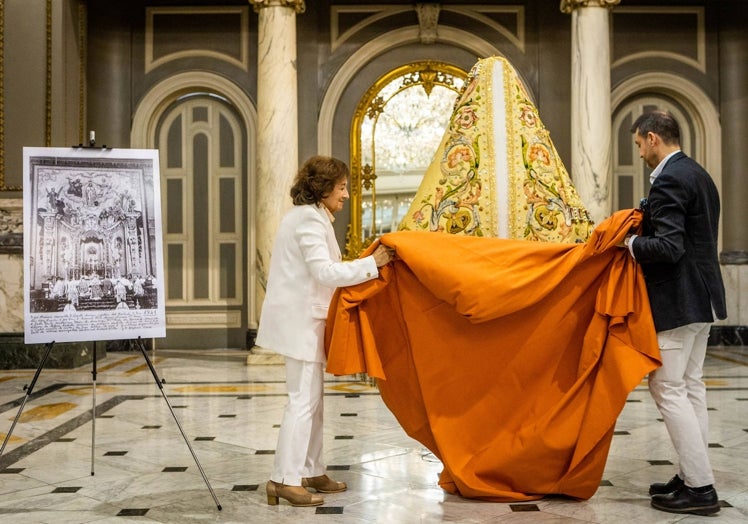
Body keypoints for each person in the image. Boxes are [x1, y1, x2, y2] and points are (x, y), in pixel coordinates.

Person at [255, 155, 394, 507]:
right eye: (342, 187)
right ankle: (283, 479)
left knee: (312, 403)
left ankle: (311, 469)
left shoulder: (314, 217)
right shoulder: (307, 221)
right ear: (323, 189)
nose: (346, 195)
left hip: (306, 320)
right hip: (299, 321)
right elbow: (326, 273)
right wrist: (371, 265)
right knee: (302, 402)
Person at [622, 111, 726, 516]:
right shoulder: (698, 173)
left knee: (667, 388)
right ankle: (692, 475)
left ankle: (700, 489)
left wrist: (628, 243)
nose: (640, 153)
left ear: (652, 138)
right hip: (702, 298)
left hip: (678, 300)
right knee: (690, 387)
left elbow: (668, 247)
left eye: (639, 145)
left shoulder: (669, 179)